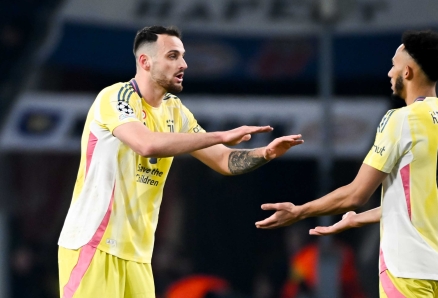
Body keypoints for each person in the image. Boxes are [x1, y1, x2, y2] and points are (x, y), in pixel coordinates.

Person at [57, 25, 303, 298]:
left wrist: (265, 154)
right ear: (145, 61)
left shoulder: (176, 111)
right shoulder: (115, 97)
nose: (183, 64)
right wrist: (219, 135)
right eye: (173, 56)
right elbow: (146, 143)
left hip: (138, 256)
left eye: (183, 56)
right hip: (94, 244)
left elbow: (223, 160)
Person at [256, 30, 438, 298]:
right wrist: (360, 219)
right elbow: (423, 202)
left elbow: (356, 194)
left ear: (408, 71)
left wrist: (299, 211)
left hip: (407, 266)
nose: (389, 73)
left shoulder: (401, 120)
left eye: (394, 65)